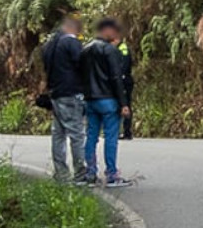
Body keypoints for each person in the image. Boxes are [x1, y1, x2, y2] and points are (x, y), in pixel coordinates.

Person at [81, 18, 133, 187]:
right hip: (108, 99)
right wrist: (124, 103)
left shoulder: (85, 49)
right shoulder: (110, 50)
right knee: (111, 137)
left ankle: (90, 173)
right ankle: (111, 174)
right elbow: (116, 78)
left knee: (91, 136)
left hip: (90, 100)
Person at [41, 16, 88, 183]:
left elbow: (45, 68)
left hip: (55, 93)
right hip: (71, 93)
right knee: (77, 133)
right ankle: (80, 174)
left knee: (58, 134)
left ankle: (61, 174)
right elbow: (83, 65)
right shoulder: (71, 42)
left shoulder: (49, 45)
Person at [117, 34, 135, 140]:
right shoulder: (118, 47)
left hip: (124, 80)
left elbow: (125, 64)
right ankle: (123, 130)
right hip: (124, 79)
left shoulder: (122, 48)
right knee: (123, 104)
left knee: (125, 104)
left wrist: (120, 76)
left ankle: (127, 131)